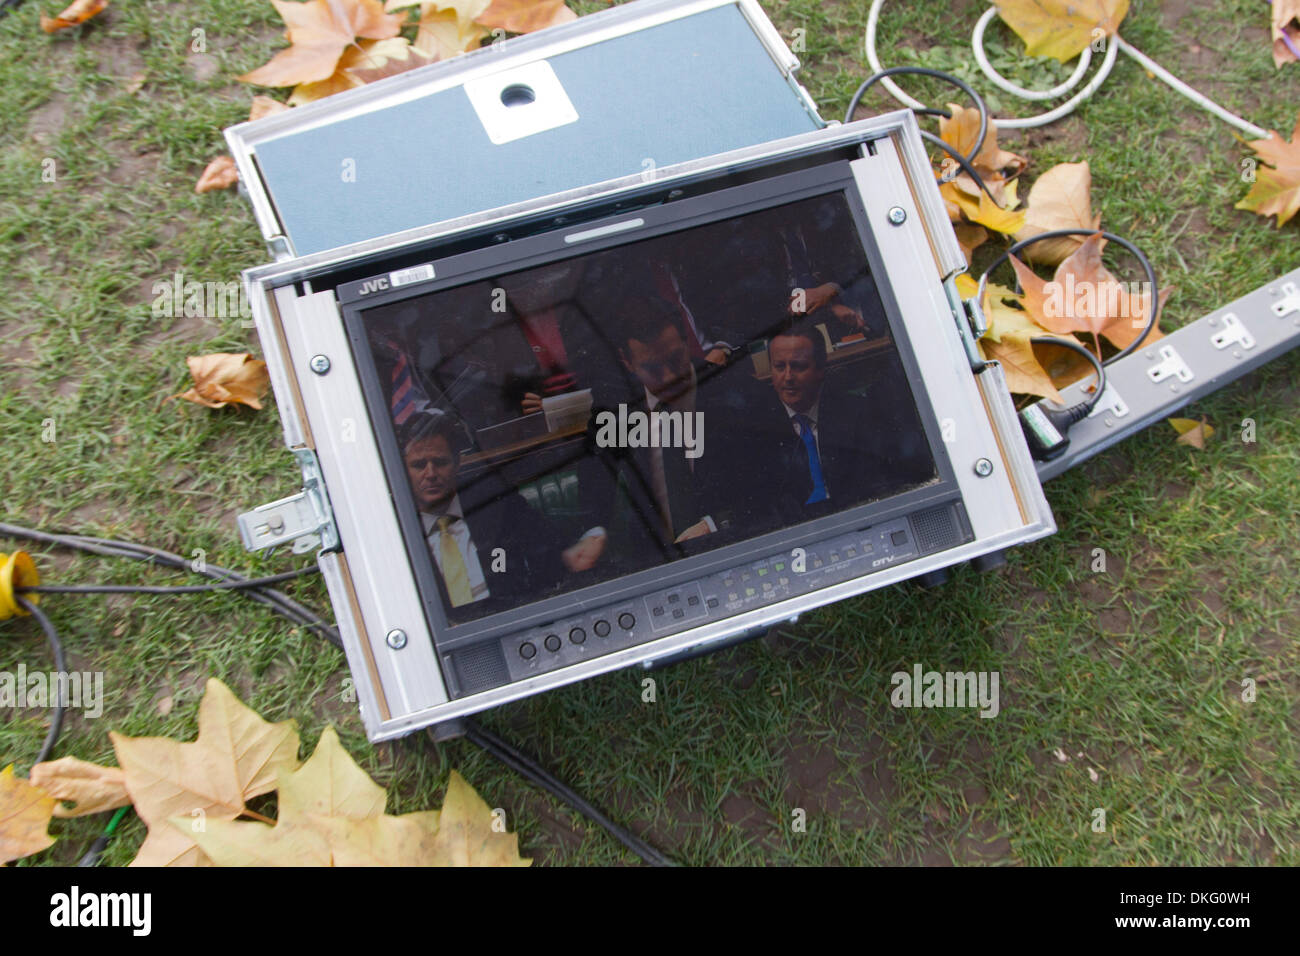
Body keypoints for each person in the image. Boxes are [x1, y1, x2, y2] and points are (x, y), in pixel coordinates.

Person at [730, 321, 934, 528]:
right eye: (779, 367)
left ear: (821, 368)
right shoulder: (754, 429)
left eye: (799, 366)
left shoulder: (858, 413)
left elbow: (877, 486)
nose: (788, 377)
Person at [399, 411, 564, 613]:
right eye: (419, 465)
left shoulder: (495, 502)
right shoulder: (396, 534)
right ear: (403, 470)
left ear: (457, 463)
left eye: (440, 462)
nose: (430, 473)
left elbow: (552, 545)